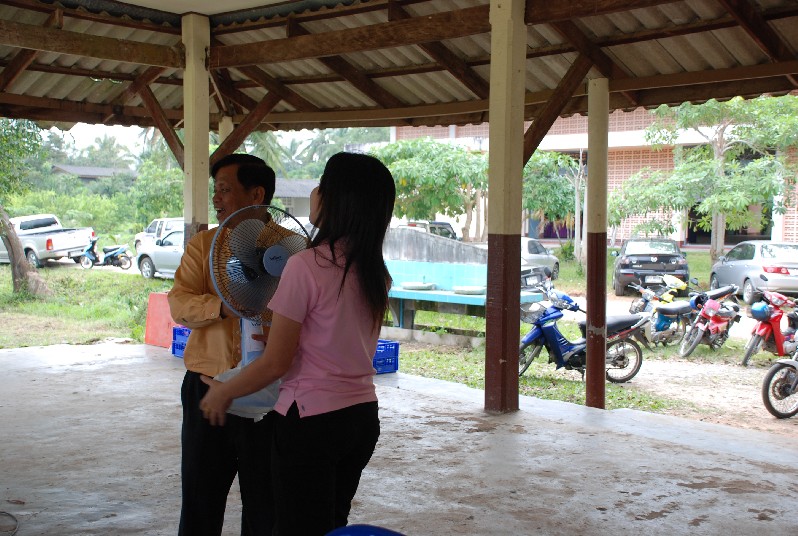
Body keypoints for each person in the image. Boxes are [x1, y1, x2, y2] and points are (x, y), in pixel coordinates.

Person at [199, 151, 396, 536]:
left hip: (311, 423)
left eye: (322, 185)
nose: (314, 192)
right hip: (361, 418)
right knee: (332, 526)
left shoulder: (305, 265)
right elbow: (337, 341)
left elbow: (276, 363)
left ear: (338, 200)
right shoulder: (376, 273)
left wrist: (224, 391)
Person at [168, 153, 277, 536]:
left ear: (256, 194)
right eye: (216, 190)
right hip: (207, 387)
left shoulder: (290, 249)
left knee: (266, 506)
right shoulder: (204, 246)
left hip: (268, 393)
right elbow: (179, 303)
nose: (216, 198)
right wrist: (224, 307)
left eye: (225, 189)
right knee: (200, 502)